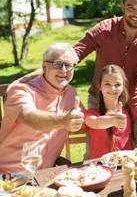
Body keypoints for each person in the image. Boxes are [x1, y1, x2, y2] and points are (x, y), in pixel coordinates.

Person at [19, 0, 137, 143]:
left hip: (131, 103)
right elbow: (76, 53)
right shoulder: (104, 29)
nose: (135, 13)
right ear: (122, 7)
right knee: (95, 154)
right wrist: (44, 69)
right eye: (130, 7)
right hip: (99, 99)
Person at [0, 43, 84, 173]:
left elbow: (87, 120)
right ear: (44, 66)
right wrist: (63, 120)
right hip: (9, 175)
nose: (63, 70)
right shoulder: (21, 90)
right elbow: (29, 118)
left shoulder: (71, 94)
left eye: (68, 65)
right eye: (57, 64)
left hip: (45, 175)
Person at [84, 65, 137, 159]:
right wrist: (112, 121)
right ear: (100, 86)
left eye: (117, 84)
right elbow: (96, 122)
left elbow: (136, 141)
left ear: (123, 87)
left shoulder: (131, 112)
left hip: (124, 166)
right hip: (100, 168)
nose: (112, 88)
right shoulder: (92, 113)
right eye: (107, 84)